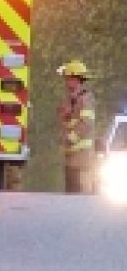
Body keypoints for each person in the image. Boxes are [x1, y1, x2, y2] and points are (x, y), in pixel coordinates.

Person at [57, 59, 96, 194]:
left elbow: (86, 123)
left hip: (82, 159)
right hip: (71, 157)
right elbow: (65, 118)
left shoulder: (85, 99)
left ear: (75, 79)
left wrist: (70, 138)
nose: (65, 81)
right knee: (70, 196)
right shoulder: (71, 98)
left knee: (80, 197)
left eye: (67, 78)